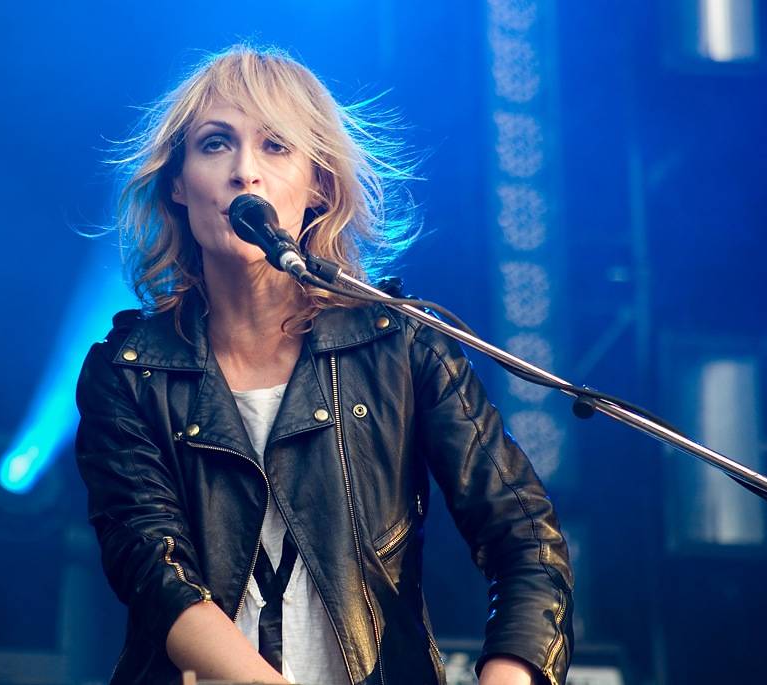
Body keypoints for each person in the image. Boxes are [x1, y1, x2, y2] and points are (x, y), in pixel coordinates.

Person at [75, 45, 573, 685]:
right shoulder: (127, 372)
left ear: (319, 184)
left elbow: (528, 540)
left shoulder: (401, 346)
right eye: (215, 143)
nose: (244, 172)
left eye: (276, 146)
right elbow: (152, 569)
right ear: (177, 182)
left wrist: (506, 677)